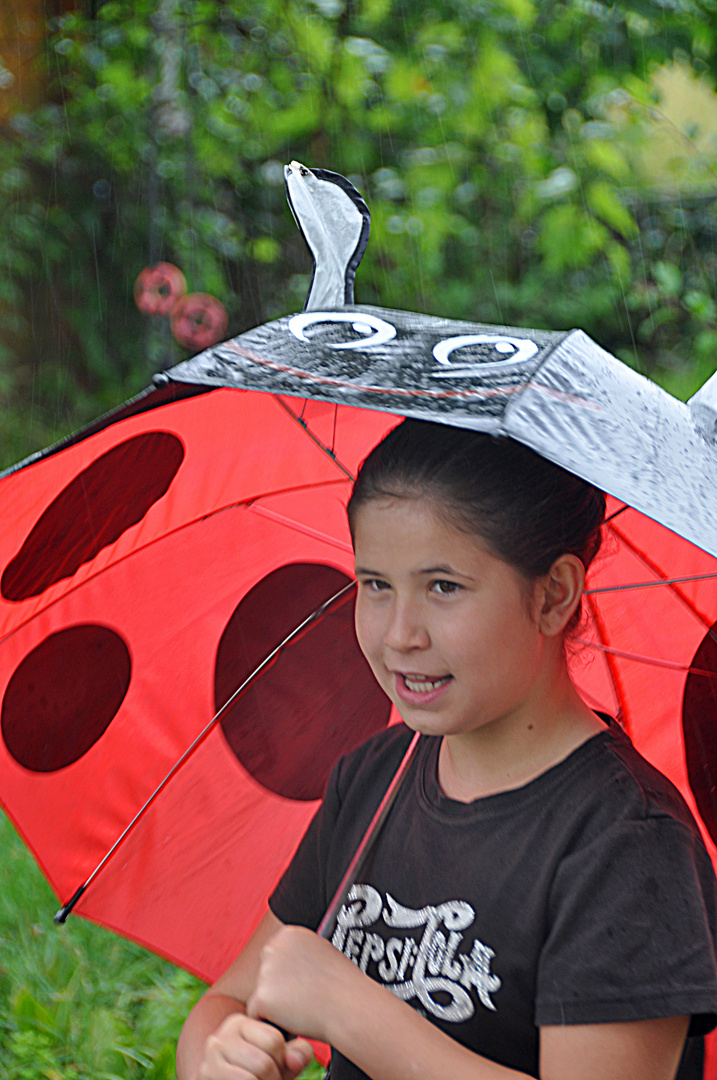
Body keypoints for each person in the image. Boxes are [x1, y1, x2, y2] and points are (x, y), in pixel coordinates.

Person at [177, 420, 717, 1080]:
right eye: (375, 584)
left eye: (443, 587)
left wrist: (352, 1011)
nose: (399, 634)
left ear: (553, 595)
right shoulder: (373, 781)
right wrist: (217, 1053)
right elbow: (230, 1000)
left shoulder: (625, 842)